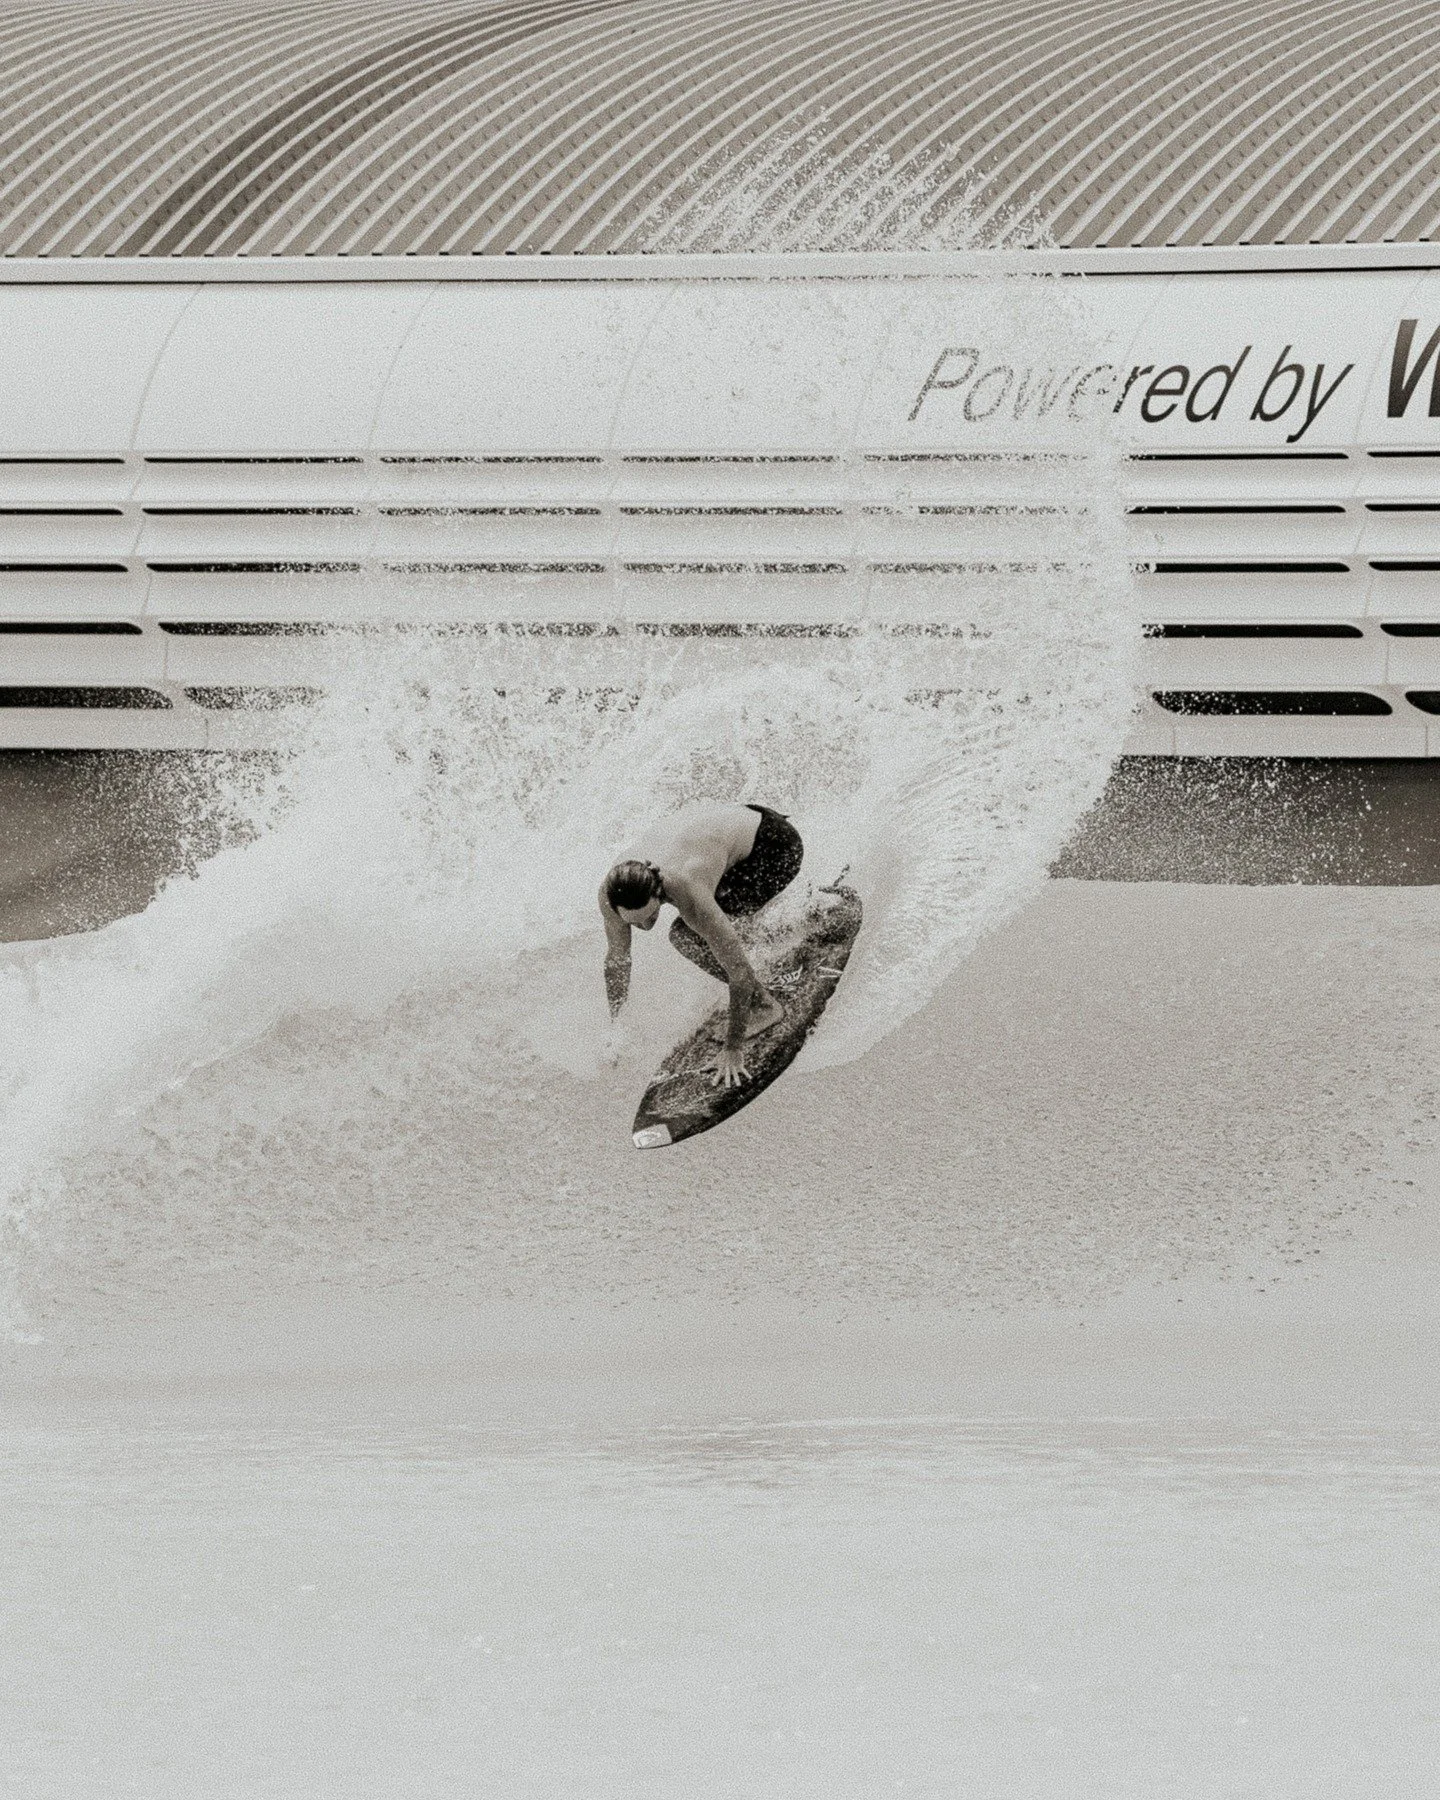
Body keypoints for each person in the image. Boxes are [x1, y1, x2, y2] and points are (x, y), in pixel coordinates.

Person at [600, 801, 804, 1088]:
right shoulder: (612, 892)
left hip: (774, 847)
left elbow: (739, 973)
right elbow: (618, 960)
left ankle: (766, 1006)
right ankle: (796, 915)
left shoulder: (689, 889)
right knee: (718, 931)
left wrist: (733, 1049)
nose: (643, 928)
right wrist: (615, 1027)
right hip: (731, 835)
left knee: (686, 936)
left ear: (659, 893)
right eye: (633, 923)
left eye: (648, 917)